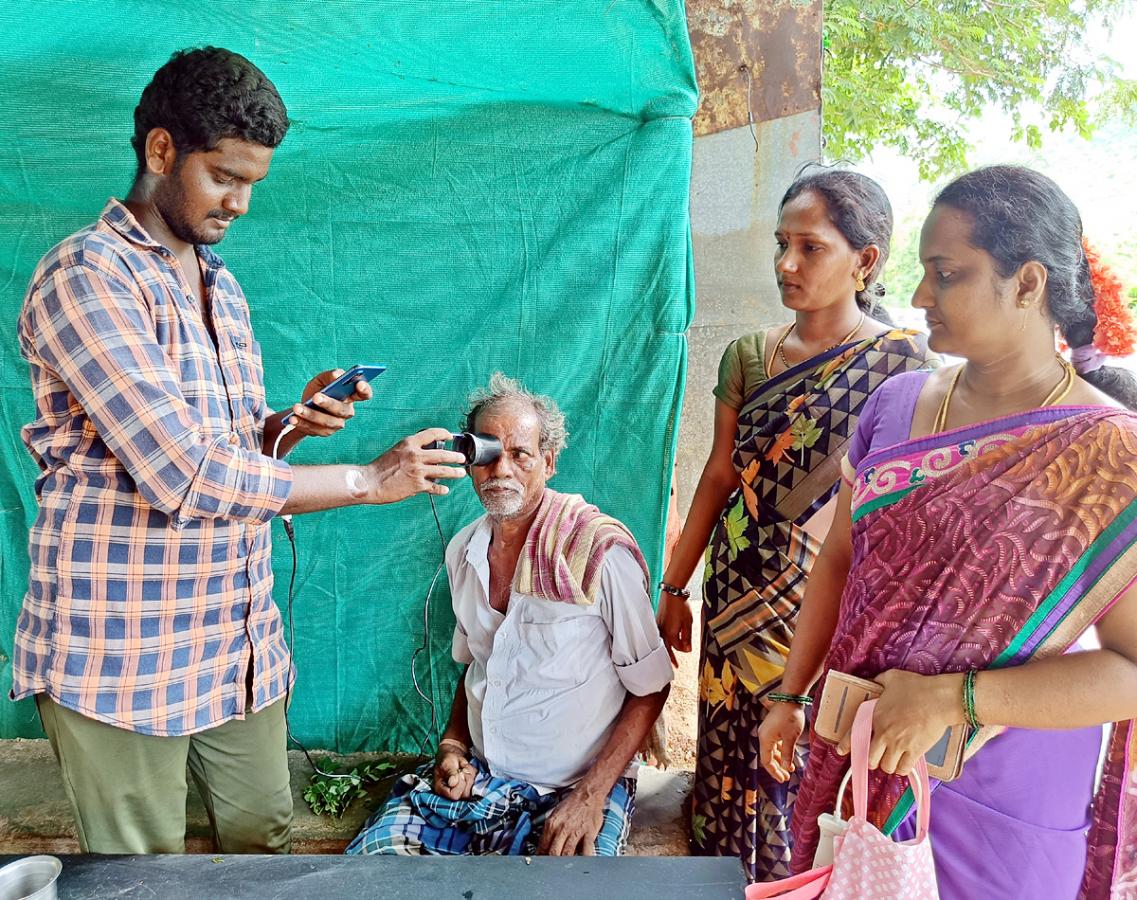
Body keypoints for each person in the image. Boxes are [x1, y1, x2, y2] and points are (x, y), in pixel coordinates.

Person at [13, 47, 466, 855]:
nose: (242, 202)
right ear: (160, 152)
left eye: (253, 181)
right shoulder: (87, 279)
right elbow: (182, 471)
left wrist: (291, 423)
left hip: (234, 637)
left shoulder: (218, 282)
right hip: (122, 650)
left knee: (261, 833)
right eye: (225, 176)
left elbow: (224, 444)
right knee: (139, 869)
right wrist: (367, 478)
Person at [759, 165, 1137, 899]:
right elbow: (836, 563)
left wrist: (950, 700)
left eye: (945, 273)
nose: (918, 296)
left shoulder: (1109, 456)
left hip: (1002, 790)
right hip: (858, 756)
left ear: (1026, 284)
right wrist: (789, 695)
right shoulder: (894, 406)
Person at [656, 167, 936, 880]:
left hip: (822, 599)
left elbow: (899, 512)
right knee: (725, 747)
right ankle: (719, 876)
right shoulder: (749, 356)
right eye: (782, 244)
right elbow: (720, 475)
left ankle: (796, 883)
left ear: (864, 260)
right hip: (734, 588)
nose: (786, 264)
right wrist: (675, 585)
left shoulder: (903, 368)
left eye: (809, 247)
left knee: (800, 756)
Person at [346, 373, 672, 857]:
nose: (502, 470)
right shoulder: (465, 551)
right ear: (469, 461)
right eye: (487, 452)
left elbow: (652, 686)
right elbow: (479, 665)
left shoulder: (597, 554)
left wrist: (590, 796)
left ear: (549, 462)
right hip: (481, 779)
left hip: (573, 789)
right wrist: (453, 747)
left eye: (521, 454)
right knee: (367, 877)